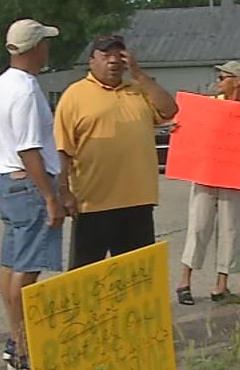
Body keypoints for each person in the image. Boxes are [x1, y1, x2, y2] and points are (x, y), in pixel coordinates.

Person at [54, 35, 178, 269]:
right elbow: (63, 149)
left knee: (137, 273)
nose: (113, 61)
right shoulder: (75, 95)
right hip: (94, 203)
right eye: (105, 56)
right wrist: (64, 190)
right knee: (87, 274)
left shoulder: (138, 90)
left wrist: (139, 74)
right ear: (92, 61)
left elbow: (169, 109)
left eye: (118, 56)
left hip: (138, 201)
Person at [0, 19, 65, 370]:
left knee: (11, 264)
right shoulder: (27, 90)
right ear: (35, 48)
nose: (48, 49)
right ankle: (22, 345)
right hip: (29, 182)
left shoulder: (1, 84)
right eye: (45, 43)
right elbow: (29, 147)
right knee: (27, 269)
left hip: (7, 181)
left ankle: (13, 335)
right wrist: (50, 196)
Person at [176, 60, 240, 305]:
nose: (218, 81)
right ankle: (185, 282)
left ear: (237, 82)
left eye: (223, 77)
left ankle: (221, 285)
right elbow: (190, 129)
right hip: (206, 173)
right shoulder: (209, 105)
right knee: (198, 225)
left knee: (230, 229)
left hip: (233, 176)